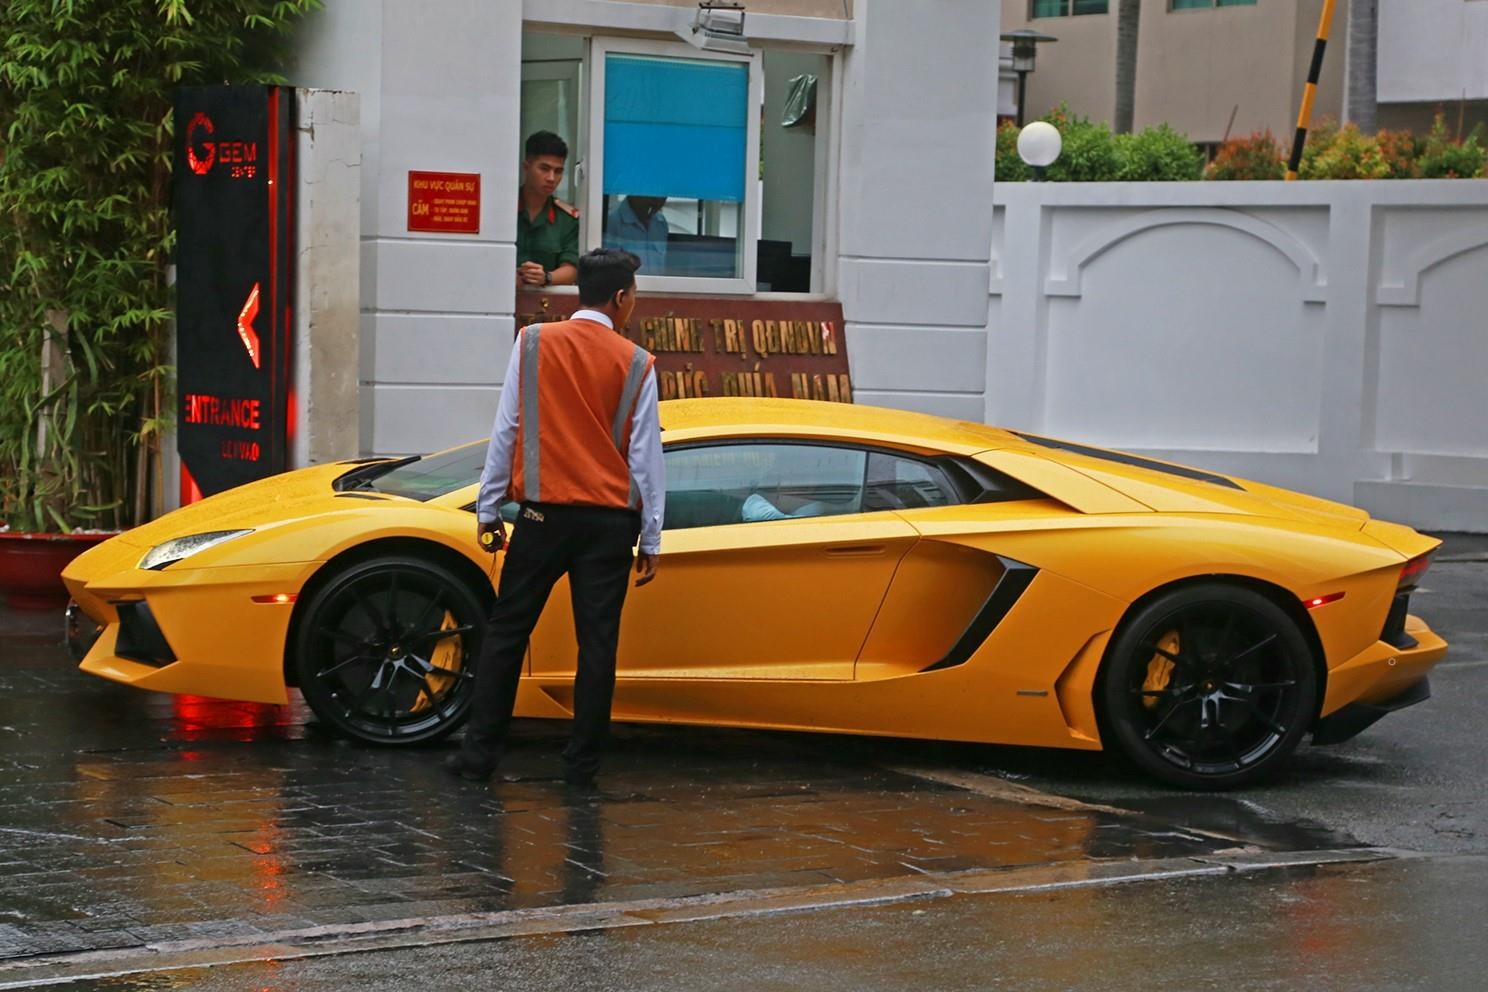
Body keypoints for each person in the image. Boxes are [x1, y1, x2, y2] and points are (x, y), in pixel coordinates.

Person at [446, 248, 663, 789]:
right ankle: (581, 768)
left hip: (543, 519)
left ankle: (477, 759)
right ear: (619, 298)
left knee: (506, 634)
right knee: (598, 645)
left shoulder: (534, 344)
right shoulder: (637, 363)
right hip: (609, 525)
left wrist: (489, 506)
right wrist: (653, 536)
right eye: (633, 295)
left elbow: (507, 430)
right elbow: (646, 460)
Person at [516, 131, 580, 290]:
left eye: (558, 171)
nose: (551, 178)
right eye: (544, 169)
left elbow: (571, 269)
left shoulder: (566, 218)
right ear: (526, 167)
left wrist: (546, 277)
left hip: (547, 306)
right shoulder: (503, 211)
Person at [604, 195, 669, 273]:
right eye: (653, 196)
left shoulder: (661, 223)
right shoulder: (612, 220)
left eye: (663, 196)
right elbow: (608, 270)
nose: (658, 202)